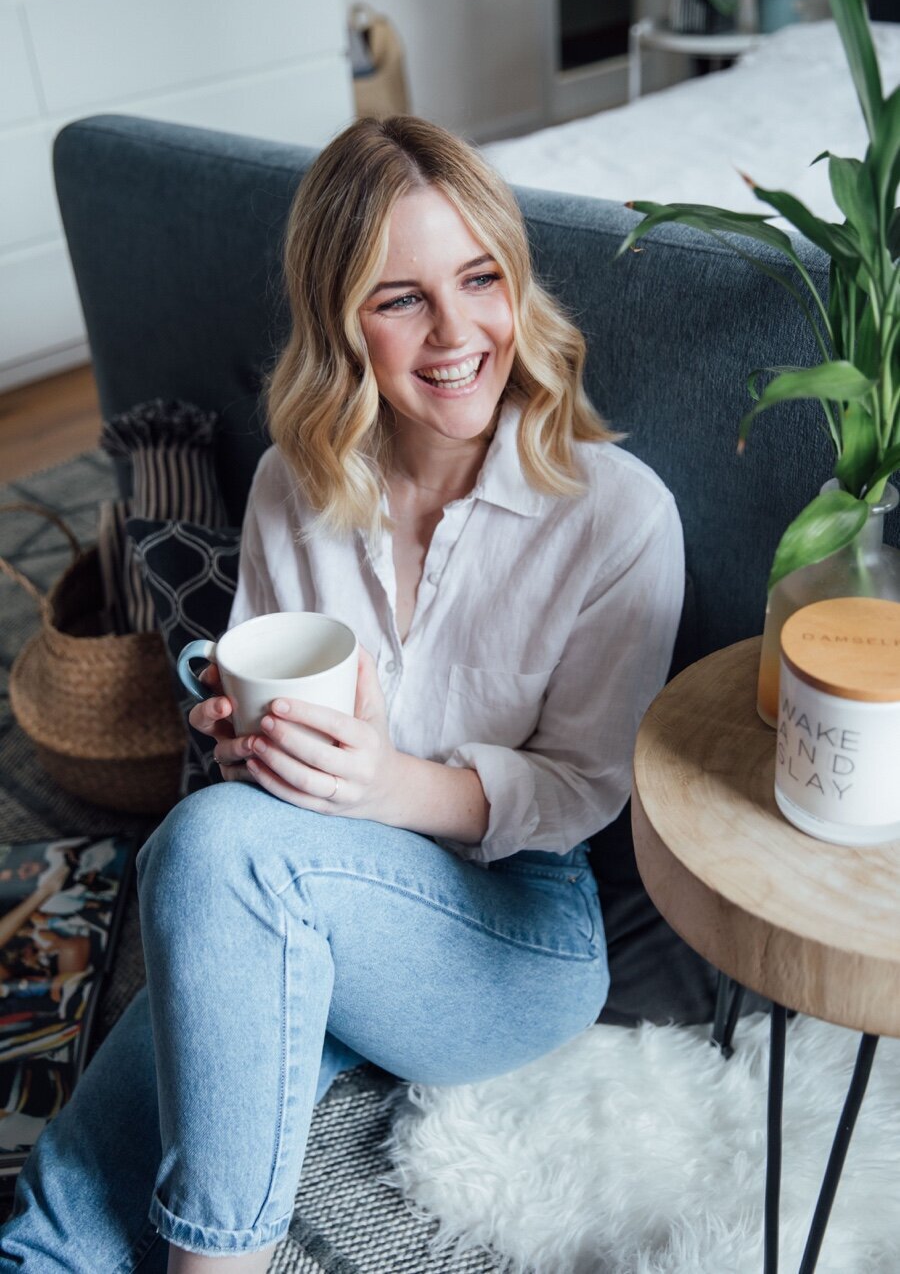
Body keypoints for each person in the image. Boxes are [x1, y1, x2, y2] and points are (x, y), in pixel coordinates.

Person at [0, 116, 683, 1273]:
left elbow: (582, 791)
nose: (458, 332)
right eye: (400, 297)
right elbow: (273, 768)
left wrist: (384, 786)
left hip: (515, 936)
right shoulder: (291, 484)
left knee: (212, 853)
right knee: (51, 1235)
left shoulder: (614, 514)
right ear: (339, 320)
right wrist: (243, 750)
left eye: (480, 278)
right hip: (303, 880)